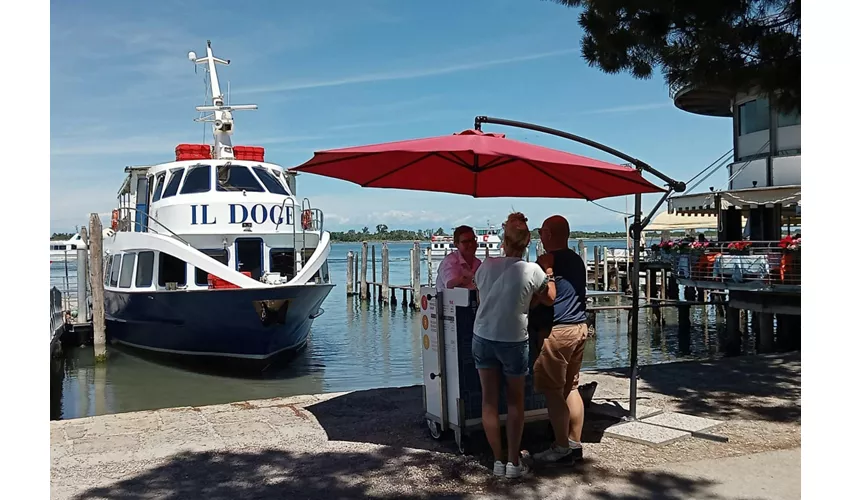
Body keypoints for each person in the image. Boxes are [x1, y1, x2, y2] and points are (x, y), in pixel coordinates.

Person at [472, 212, 557, 479]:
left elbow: (481, 297)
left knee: (488, 401)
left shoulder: (486, 266)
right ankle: (513, 463)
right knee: (514, 402)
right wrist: (549, 272)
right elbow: (550, 298)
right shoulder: (533, 270)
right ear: (528, 241)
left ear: (503, 239)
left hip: (483, 336)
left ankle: (497, 460)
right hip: (513, 339)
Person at [529, 215, 589, 465]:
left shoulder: (547, 262)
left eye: (542, 231)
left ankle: (561, 447)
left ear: (550, 235)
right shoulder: (576, 259)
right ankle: (574, 442)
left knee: (553, 392)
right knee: (571, 387)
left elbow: (541, 296)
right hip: (579, 327)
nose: (540, 236)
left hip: (558, 331)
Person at [435, 226, 481, 293]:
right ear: (456, 244)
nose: (471, 244)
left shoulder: (478, 263)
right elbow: (449, 284)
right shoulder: (450, 262)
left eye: (473, 240)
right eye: (465, 242)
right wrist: (461, 280)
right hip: (450, 299)